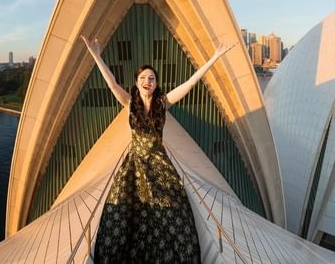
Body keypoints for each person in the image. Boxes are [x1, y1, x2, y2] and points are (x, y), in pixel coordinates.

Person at [81, 35, 235, 264]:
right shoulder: (129, 102)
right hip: (133, 167)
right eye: (143, 77)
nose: (147, 81)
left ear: (156, 83)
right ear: (136, 82)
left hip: (159, 165)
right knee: (122, 214)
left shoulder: (163, 103)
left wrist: (214, 58)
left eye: (151, 78)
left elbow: (191, 82)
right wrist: (96, 55)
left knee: (171, 214)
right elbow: (112, 83)